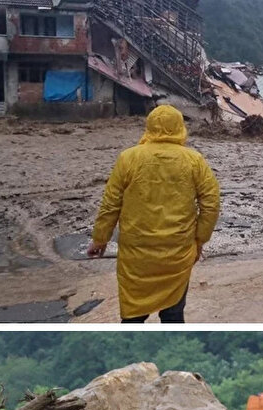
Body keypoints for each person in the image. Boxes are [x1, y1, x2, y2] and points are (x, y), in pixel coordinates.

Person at [87, 104, 221, 323]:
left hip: (136, 254)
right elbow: (211, 203)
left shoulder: (128, 158)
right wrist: (200, 239)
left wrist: (100, 239)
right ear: (179, 127)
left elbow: (111, 203)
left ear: (149, 127)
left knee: (133, 316)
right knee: (174, 314)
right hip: (177, 251)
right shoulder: (194, 160)